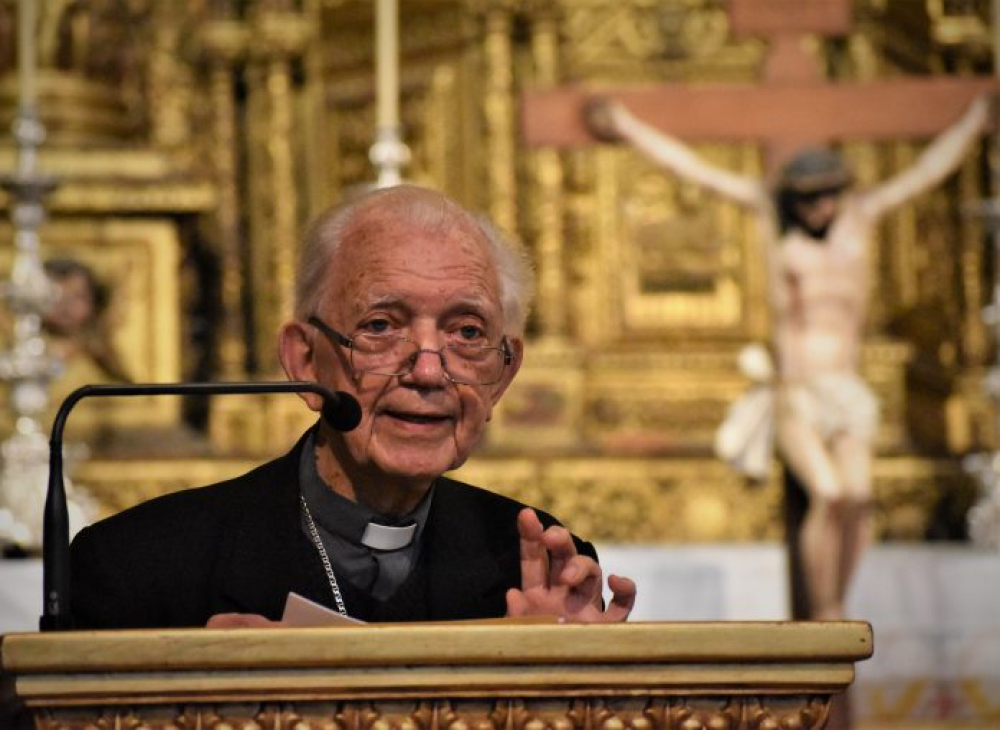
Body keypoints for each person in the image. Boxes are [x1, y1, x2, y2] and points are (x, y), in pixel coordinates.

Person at [70, 184, 636, 628]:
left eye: (466, 331)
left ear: (503, 373)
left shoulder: (535, 566)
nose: (429, 371)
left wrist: (553, 684)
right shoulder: (137, 567)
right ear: (306, 359)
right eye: (381, 326)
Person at [586, 95, 990, 620]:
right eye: (807, 199)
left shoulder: (860, 221)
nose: (817, 208)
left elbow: (924, 173)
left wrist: (976, 120)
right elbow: (697, 170)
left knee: (861, 497)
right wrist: (627, 125)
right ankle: (825, 607)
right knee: (829, 494)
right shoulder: (771, 223)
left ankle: (840, 597)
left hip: (846, 386)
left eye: (825, 197)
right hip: (799, 390)